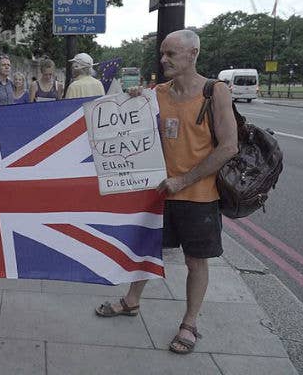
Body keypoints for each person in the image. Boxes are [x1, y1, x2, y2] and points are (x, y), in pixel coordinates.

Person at [94, 30, 238, 355]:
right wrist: (131, 99)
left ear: (193, 54)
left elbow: (229, 147)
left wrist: (184, 180)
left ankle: (189, 324)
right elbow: (131, 126)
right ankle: (131, 301)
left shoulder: (215, 92)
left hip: (199, 197)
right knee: (146, 250)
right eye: (162, 53)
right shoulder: (156, 92)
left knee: (195, 262)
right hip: (159, 194)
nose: (164, 59)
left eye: (171, 54)